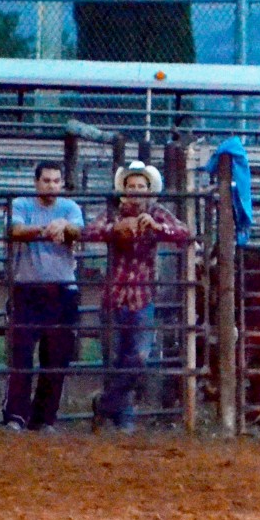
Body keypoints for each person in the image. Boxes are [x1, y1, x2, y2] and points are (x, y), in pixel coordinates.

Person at [83, 161, 191, 433]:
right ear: (125, 189)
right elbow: (89, 232)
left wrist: (156, 228)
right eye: (131, 186)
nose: (135, 191)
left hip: (142, 296)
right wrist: (114, 230)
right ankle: (123, 418)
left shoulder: (156, 214)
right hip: (115, 297)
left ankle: (106, 405)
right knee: (117, 359)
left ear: (148, 190)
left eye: (140, 186)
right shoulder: (113, 213)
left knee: (138, 358)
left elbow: (184, 234)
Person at [3, 161, 83, 431]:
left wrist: (63, 226)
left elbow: (79, 230)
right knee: (21, 355)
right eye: (46, 180)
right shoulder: (22, 205)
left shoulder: (70, 209)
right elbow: (14, 230)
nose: (51, 185)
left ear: (61, 183)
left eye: (55, 181)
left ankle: (44, 417)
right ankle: (16, 415)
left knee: (57, 358)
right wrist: (47, 229)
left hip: (61, 290)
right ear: (36, 182)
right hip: (28, 289)